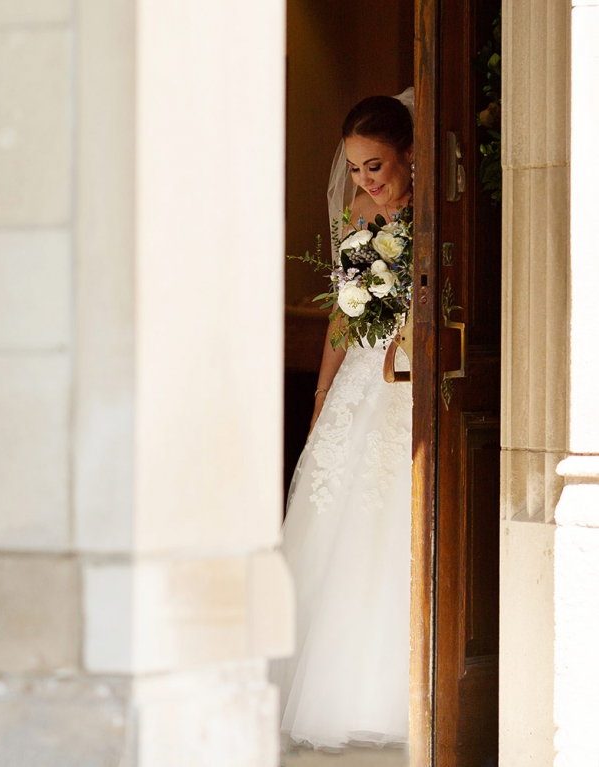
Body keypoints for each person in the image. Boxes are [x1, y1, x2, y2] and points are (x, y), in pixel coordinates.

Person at [273, 92, 415, 752]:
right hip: (362, 371)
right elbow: (347, 311)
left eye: (375, 166)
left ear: (408, 154)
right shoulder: (360, 212)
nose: (366, 181)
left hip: (410, 373)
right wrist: (323, 392)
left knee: (389, 521)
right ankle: (326, 684)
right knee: (333, 512)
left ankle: (396, 691)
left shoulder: (435, 211)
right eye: (356, 169)